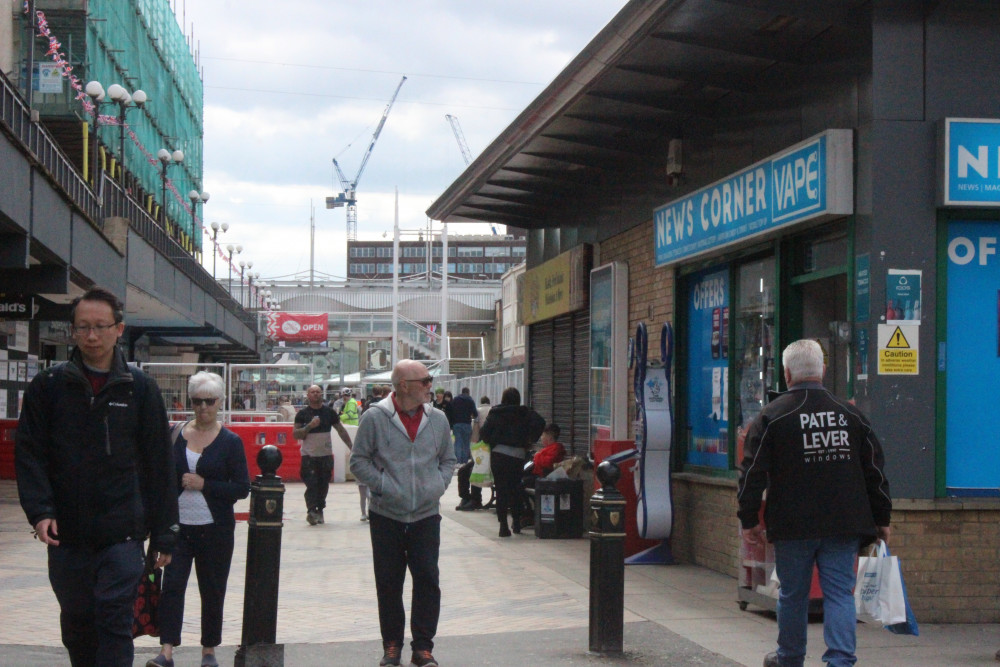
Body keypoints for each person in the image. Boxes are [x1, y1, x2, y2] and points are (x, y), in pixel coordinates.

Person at [15, 286, 178, 667]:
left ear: (119, 329)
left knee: (114, 617)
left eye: (101, 327)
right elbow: (30, 455)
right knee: (76, 622)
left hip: (122, 534)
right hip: (67, 536)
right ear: (71, 330)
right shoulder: (49, 387)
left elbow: (159, 464)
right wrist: (40, 511)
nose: (92, 335)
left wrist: (165, 532)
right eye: (83, 327)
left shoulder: (140, 389)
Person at [737, 339, 892, 667]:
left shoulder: (772, 417)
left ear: (787, 373)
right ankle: (840, 660)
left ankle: (790, 658)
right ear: (822, 370)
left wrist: (749, 518)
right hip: (844, 522)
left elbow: (752, 472)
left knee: (793, 595)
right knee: (839, 594)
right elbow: (874, 470)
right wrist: (882, 518)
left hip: (793, 525)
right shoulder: (851, 415)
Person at [350, 359, 455, 667]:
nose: (429, 385)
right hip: (386, 515)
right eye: (425, 380)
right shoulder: (375, 418)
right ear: (404, 386)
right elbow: (358, 462)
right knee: (389, 582)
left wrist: (437, 485)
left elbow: (449, 460)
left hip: (425, 515)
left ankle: (423, 647)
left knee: (427, 579)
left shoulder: (438, 419)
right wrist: (384, 486)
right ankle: (392, 645)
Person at [149, 372, 250, 667]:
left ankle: (208, 650)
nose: (203, 407)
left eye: (209, 401)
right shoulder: (175, 434)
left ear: (219, 402)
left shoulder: (230, 442)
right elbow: (161, 480)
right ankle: (166, 650)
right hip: (178, 529)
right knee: (172, 588)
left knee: (212, 589)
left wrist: (205, 484)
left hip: (214, 530)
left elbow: (242, 488)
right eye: (197, 401)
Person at [480, 387, 545, 538]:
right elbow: (540, 422)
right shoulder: (524, 413)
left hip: (499, 455)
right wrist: (529, 439)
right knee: (516, 488)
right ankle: (516, 521)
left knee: (501, 489)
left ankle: (503, 525)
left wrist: (493, 440)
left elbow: (484, 433)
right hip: (518, 455)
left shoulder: (496, 413)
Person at [293, 384, 353, 525]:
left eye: (318, 392)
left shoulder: (329, 412)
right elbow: (295, 434)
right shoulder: (302, 414)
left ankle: (320, 509)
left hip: (325, 455)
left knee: (323, 484)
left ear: (322, 394)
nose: (315, 394)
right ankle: (311, 511)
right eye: (312, 392)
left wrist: (351, 446)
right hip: (309, 456)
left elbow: (340, 429)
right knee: (311, 484)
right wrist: (309, 426)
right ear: (308, 395)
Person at [456, 396, 492, 511]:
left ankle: (476, 500)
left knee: (473, 470)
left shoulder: (480, 412)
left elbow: (475, 436)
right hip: (484, 455)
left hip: (491, 457)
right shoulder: (492, 412)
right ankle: (466, 498)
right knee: (463, 470)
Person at [450, 387, 478, 465]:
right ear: (468, 392)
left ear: (461, 392)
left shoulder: (455, 399)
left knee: (458, 443)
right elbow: (475, 414)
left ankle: (458, 461)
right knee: (466, 443)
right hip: (467, 424)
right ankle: (464, 462)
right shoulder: (470, 400)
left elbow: (451, 411)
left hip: (457, 424)